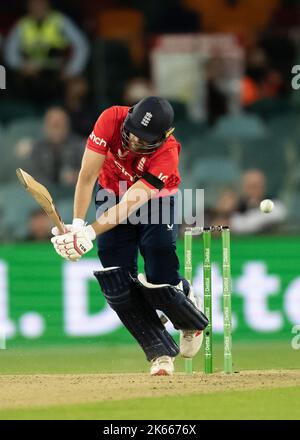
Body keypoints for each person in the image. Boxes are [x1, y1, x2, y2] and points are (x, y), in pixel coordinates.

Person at [51, 96, 208, 376]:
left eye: (144, 139)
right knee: (117, 282)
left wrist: (89, 231)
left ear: (164, 136)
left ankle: (187, 312)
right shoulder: (110, 118)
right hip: (110, 190)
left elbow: (130, 205)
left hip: (153, 199)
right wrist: (76, 225)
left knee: (158, 272)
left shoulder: (167, 154)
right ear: (130, 118)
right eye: (132, 133)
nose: (135, 142)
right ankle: (159, 353)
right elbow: (87, 176)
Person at [4, 0, 89, 103]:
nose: (37, 6)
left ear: (48, 3)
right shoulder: (23, 24)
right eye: (34, 3)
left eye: (41, 3)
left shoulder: (60, 21)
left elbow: (81, 46)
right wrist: (21, 66)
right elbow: (9, 52)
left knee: (78, 86)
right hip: (32, 74)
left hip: (57, 72)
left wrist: (71, 70)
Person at [28, 107, 83, 187]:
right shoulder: (37, 149)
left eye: (61, 125)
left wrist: (77, 176)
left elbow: (93, 173)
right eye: (54, 125)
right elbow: (30, 177)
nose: (57, 129)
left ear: (68, 126)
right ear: (46, 127)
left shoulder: (80, 146)